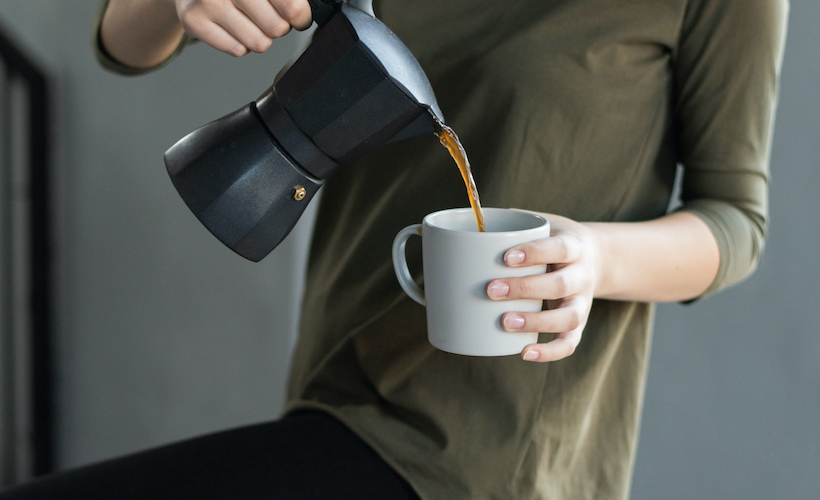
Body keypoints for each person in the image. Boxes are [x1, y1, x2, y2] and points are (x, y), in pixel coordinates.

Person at [1, 0, 788, 498]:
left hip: (486, 455)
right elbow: (122, 42)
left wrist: (591, 260)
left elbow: (736, 220)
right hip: (330, 389)